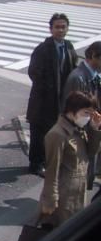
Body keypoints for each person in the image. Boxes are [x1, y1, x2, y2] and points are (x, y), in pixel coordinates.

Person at [39, 91, 101, 228]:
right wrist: (50, 199)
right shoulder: (57, 134)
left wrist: (95, 129)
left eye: (91, 114)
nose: (88, 118)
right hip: (64, 196)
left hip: (78, 192)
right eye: (86, 113)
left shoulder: (79, 130)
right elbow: (52, 169)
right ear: (72, 111)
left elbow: (91, 151)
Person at [26, 13, 78, 177]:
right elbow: (33, 72)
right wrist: (48, 88)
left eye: (63, 27)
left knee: (53, 132)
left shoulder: (68, 46)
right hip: (43, 100)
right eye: (57, 27)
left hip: (60, 99)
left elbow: (72, 67)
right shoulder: (43, 49)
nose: (60, 30)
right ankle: (36, 164)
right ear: (51, 29)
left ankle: (47, 160)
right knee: (39, 133)